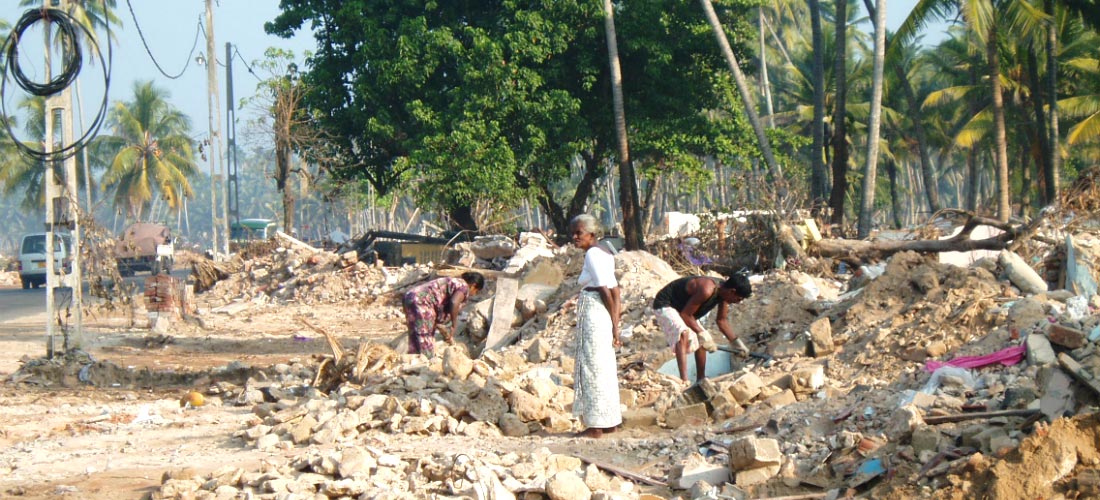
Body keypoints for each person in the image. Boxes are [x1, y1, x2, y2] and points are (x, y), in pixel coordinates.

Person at [569, 214, 622, 438]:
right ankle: (609, 421)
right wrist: (615, 322)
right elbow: (615, 290)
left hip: (594, 309)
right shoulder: (606, 252)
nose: (574, 237)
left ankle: (595, 426)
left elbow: (603, 289)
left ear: (591, 234)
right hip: (603, 312)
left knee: (591, 365)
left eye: (578, 233)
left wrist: (614, 324)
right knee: (604, 364)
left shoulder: (592, 253)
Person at [652, 274, 753, 385]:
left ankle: (701, 379)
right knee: (683, 333)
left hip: (685, 310)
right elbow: (685, 315)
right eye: (738, 299)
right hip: (666, 304)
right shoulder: (707, 289)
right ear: (732, 291)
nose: (737, 302)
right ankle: (684, 382)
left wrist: (736, 343)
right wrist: (702, 333)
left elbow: (721, 321)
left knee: (702, 341)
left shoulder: (724, 295)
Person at [402, 271, 486, 357]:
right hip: (422, 301)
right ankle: (426, 362)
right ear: (473, 285)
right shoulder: (463, 286)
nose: (474, 294)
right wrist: (454, 323)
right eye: (476, 291)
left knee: (415, 332)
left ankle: (412, 359)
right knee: (425, 335)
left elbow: (439, 316)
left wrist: (446, 334)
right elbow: (454, 302)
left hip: (410, 297)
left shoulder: (452, 282)